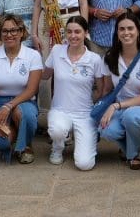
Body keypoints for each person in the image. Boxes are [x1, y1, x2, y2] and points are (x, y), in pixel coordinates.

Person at [98, 13, 140, 170]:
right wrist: (101, 110)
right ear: (117, 33)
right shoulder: (110, 57)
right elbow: (107, 89)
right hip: (123, 107)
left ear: (138, 31)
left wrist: (115, 106)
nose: (126, 33)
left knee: (131, 116)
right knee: (106, 129)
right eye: (122, 29)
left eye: (130, 28)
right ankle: (132, 146)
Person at [43, 16, 104, 169]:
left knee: (85, 164)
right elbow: (44, 75)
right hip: (60, 110)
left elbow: (100, 89)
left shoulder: (94, 59)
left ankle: (85, 139)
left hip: (85, 114)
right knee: (57, 130)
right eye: (69, 32)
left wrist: (91, 104)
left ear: (86, 33)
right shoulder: (57, 51)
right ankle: (57, 147)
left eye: (77, 32)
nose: (73, 36)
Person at [0, 13, 43, 164]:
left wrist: (9, 106)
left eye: (14, 30)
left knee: (27, 115)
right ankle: (15, 133)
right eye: (5, 31)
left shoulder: (33, 55)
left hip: (23, 101)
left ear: (22, 32)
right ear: (0, 33)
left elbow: (32, 90)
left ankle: (25, 146)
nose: (9, 35)